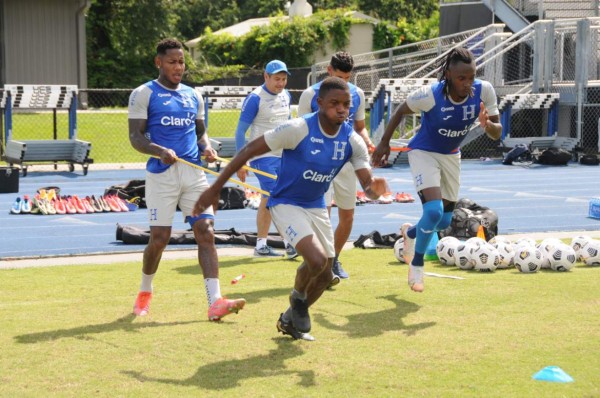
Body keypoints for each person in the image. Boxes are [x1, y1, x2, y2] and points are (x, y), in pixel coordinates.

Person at [193, 77, 387, 340]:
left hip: (316, 205)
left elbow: (367, 184)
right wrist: (215, 188)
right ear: (319, 104)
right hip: (286, 202)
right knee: (316, 260)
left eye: (346, 105)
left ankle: (289, 320)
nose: (342, 109)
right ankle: (298, 300)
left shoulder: (352, 141)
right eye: (335, 103)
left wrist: (375, 187)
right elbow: (250, 149)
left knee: (325, 274)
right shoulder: (298, 129)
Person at [128, 38, 246, 320]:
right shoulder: (143, 93)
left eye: (181, 62)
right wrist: (158, 150)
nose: (178, 67)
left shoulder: (194, 96)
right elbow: (135, 137)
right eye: (172, 62)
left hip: (194, 174)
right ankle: (145, 290)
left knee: (205, 231)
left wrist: (206, 147)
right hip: (162, 176)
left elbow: (200, 132)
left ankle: (215, 302)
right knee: (159, 239)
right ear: (159, 62)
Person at [371, 47, 502, 293]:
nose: (467, 83)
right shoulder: (430, 95)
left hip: (452, 155)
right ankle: (416, 265)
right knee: (433, 212)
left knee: (443, 220)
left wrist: (487, 126)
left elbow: (497, 132)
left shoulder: (484, 90)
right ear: (449, 75)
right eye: (461, 78)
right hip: (424, 152)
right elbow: (400, 110)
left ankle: (410, 233)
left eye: (471, 77)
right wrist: (384, 142)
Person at [297, 51, 375, 283]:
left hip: (347, 163)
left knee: (348, 215)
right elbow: (301, 129)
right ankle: (319, 263)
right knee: (323, 215)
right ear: (329, 70)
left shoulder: (357, 94)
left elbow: (360, 127)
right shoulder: (310, 95)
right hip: (318, 164)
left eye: (348, 78)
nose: (344, 83)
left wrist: (367, 141)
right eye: (339, 76)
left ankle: (334, 259)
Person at [234, 60, 298, 259]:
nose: (280, 83)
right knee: (277, 196)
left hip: (283, 154)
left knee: (268, 198)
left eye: (284, 79)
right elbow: (239, 132)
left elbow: (287, 124)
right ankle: (290, 243)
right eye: (277, 79)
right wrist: (240, 162)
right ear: (266, 77)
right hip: (261, 155)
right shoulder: (255, 98)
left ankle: (261, 245)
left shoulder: (286, 95)